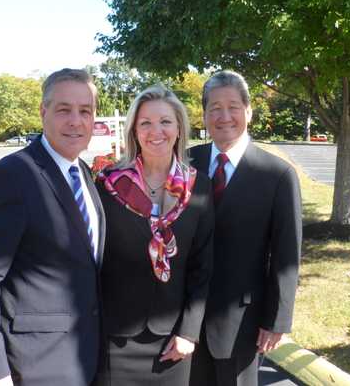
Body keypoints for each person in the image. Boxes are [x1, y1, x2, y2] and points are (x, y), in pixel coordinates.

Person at [0, 68, 105, 386]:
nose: (75, 121)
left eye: (85, 111)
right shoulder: (10, 177)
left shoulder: (84, 173)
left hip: (87, 360)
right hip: (34, 366)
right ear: (43, 112)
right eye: (64, 110)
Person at [94, 85, 214, 385]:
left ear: (178, 128)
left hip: (172, 340)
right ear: (134, 130)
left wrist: (189, 332)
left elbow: (203, 267)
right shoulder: (108, 184)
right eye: (145, 123)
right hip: (114, 337)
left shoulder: (199, 187)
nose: (155, 131)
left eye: (165, 122)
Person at [189, 70, 302, 386]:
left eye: (233, 107)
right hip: (183, 321)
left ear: (249, 111)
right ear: (205, 114)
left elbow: (286, 255)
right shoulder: (184, 163)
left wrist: (277, 319)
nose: (224, 116)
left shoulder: (277, 175)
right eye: (215, 108)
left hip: (242, 323)